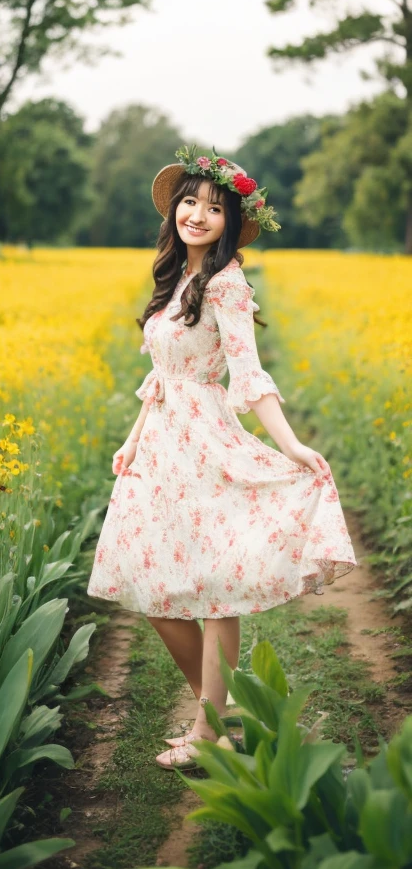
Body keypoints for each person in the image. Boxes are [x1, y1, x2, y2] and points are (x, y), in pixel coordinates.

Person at [86, 145, 358, 770]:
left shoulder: (228, 283)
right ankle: (218, 718)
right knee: (153, 588)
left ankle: (208, 732)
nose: (198, 215)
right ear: (174, 212)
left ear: (231, 221)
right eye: (189, 202)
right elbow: (163, 375)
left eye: (214, 208)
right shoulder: (175, 276)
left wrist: (290, 445)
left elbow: (249, 372)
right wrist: (133, 438)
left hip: (206, 444)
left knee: (213, 591)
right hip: (159, 445)